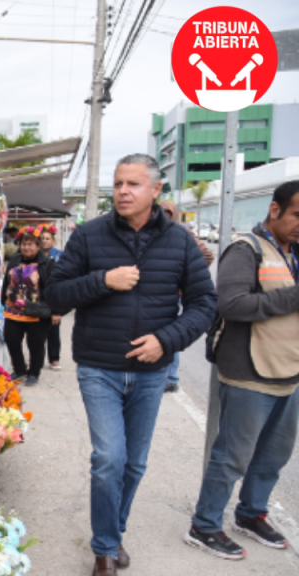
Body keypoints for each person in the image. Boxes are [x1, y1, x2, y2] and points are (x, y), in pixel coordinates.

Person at [45, 153, 217, 576]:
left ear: (156, 191)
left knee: (134, 463)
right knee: (109, 458)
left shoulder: (179, 241)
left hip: (151, 372)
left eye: (134, 184)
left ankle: (113, 532)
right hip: (99, 367)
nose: (123, 191)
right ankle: (104, 550)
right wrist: (103, 280)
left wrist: (166, 340)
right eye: (118, 183)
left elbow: (203, 304)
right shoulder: (88, 236)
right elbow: (55, 294)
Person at [185, 181, 299, 560]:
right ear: (274, 210)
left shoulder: (295, 253)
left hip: (289, 370)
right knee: (233, 454)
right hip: (250, 370)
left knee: (274, 454)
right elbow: (232, 305)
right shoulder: (246, 249)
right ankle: (204, 525)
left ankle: (251, 514)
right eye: (297, 214)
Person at [158, 199, 215, 393]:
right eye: (161, 211)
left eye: (168, 212)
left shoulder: (182, 234)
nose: (164, 215)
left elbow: (207, 255)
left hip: (179, 293)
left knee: (172, 333)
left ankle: (171, 377)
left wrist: (187, 274)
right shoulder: (155, 232)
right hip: (163, 293)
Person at [1, 226, 59, 386]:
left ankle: (34, 372)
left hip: (36, 311)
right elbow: (6, 280)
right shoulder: (15, 259)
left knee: (35, 344)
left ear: (38, 246)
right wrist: (3, 300)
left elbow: (53, 287)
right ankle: (20, 369)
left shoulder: (47, 263)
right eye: (24, 244)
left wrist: (55, 311)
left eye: (30, 244)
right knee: (11, 339)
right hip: (13, 309)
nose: (26, 247)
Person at [40, 225, 63, 371]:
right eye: (42, 238)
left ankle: (54, 358)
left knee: (54, 328)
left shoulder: (60, 255)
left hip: (54, 296)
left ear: (53, 240)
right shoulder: (36, 255)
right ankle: (38, 358)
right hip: (39, 297)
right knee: (37, 330)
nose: (44, 241)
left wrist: (58, 309)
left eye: (47, 238)